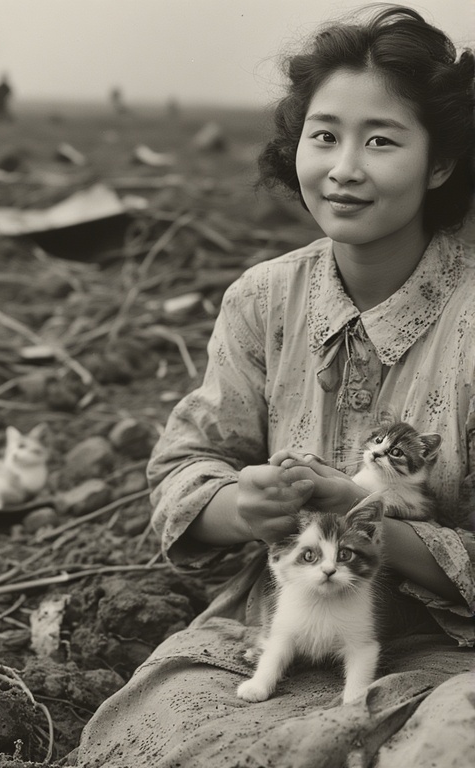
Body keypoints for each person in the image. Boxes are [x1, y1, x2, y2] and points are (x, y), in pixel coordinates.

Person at [72, 5, 475, 767]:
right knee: (154, 742)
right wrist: (243, 505)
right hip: (271, 632)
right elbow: (185, 466)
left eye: (381, 140)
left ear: (442, 163)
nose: (344, 168)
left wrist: (368, 522)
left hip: (451, 655)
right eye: (324, 137)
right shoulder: (264, 299)